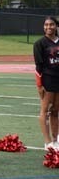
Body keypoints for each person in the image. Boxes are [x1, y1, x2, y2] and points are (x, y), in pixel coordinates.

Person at [33, 16, 59, 150]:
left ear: (56, 26)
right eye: (46, 25)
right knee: (44, 110)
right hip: (47, 80)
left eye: (52, 24)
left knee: (55, 111)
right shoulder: (39, 44)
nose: (49, 27)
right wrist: (39, 85)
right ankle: (47, 142)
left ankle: (56, 140)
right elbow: (38, 66)